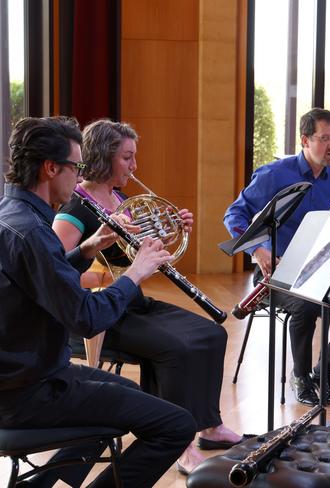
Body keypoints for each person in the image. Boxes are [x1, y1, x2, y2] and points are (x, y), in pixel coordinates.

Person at [0, 116, 197, 487]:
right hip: (29, 392)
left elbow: (42, 282)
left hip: (22, 378)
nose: (80, 177)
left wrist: (88, 248)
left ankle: (38, 485)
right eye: (76, 167)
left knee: (129, 392)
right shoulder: (33, 233)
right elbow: (86, 318)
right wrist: (136, 272)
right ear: (50, 168)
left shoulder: (11, 216)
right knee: (177, 425)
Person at [52, 119, 248, 475]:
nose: (135, 166)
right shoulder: (75, 209)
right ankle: (181, 442)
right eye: (127, 158)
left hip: (131, 302)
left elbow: (139, 255)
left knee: (211, 333)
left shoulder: (120, 200)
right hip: (100, 313)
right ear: (103, 157)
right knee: (177, 347)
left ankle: (209, 425)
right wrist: (99, 274)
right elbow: (55, 273)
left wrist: (170, 232)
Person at [224, 107, 330, 406]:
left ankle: (323, 370)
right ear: (305, 140)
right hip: (277, 273)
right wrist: (258, 249)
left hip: (322, 272)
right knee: (305, 306)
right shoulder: (273, 174)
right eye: (324, 138)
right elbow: (234, 214)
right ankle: (301, 376)